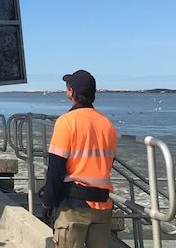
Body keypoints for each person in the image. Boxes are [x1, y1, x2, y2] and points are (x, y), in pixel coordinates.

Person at [42, 69, 117, 248]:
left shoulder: (66, 122)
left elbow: (55, 169)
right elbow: (108, 163)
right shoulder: (107, 124)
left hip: (72, 207)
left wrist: (47, 203)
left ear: (71, 92)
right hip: (102, 207)